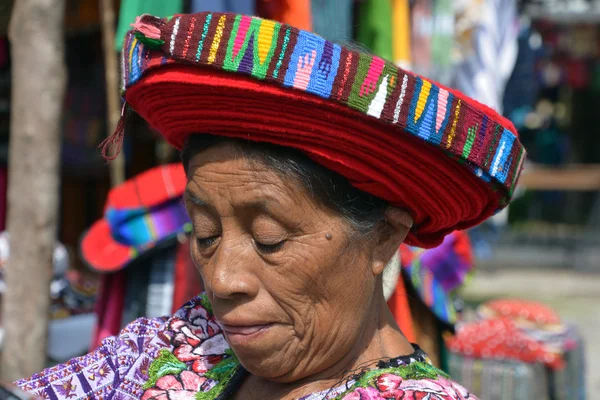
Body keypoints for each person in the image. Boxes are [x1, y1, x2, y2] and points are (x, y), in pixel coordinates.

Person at [17, 11, 525, 400]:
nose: (221, 280)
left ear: (384, 236)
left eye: (269, 239)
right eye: (205, 233)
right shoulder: (189, 342)